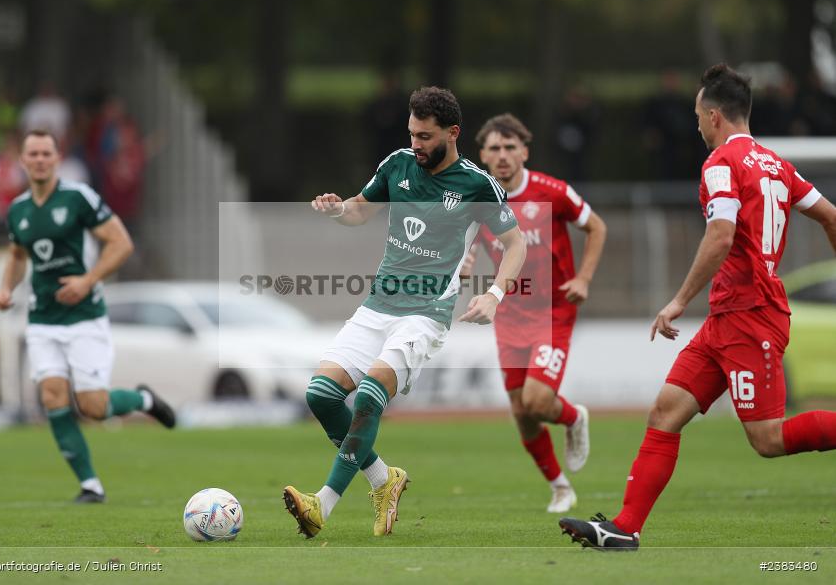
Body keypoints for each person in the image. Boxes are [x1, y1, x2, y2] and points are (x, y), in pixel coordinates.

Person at [559, 64, 836, 550]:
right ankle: (625, 528)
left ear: (713, 116)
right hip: (728, 317)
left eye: (697, 116)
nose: (697, 125)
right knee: (665, 412)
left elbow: (721, 234)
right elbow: (830, 216)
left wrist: (678, 300)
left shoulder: (721, 164)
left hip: (751, 316)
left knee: (767, 439)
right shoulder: (776, 164)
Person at [283, 86, 526, 538]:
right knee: (320, 395)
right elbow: (361, 211)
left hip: (426, 313)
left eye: (426, 136)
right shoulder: (397, 164)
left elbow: (517, 244)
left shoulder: (477, 184)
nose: (416, 144)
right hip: (378, 305)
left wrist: (493, 294)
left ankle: (323, 505)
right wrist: (338, 209)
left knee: (371, 396)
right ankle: (383, 480)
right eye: (412, 133)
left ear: (453, 133)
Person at [0, 129, 176, 503]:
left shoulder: (78, 198)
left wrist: (87, 280)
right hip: (42, 319)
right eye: (34, 154)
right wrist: (6, 289)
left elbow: (121, 242)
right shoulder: (18, 210)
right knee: (52, 397)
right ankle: (90, 484)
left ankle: (142, 400)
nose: (40, 159)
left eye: (47, 153)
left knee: (92, 406)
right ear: (23, 161)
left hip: (84, 316)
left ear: (58, 158)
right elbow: (16, 255)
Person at [463, 113, 607, 513]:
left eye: (511, 147)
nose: (503, 155)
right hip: (508, 312)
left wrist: (584, 279)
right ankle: (561, 487)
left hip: (552, 311)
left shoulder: (552, 192)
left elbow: (597, 227)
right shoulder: (479, 198)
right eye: (495, 148)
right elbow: (468, 235)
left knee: (538, 401)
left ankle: (574, 417)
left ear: (524, 152)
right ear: (483, 156)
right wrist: (466, 260)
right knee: (521, 413)